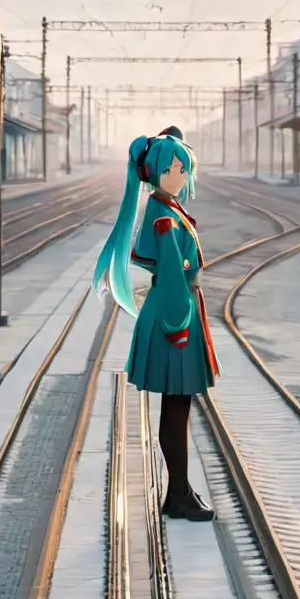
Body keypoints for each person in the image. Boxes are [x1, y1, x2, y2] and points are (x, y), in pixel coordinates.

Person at [93, 126, 219, 522]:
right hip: (174, 315)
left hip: (176, 310)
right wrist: (178, 324)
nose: (184, 175)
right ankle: (178, 493)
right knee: (177, 407)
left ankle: (178, 491)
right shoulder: (164, 216)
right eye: (176, 168)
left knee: (177, 407)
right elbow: (168, 270)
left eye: (185, 168)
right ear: (158, 172)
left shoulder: (167, 209)